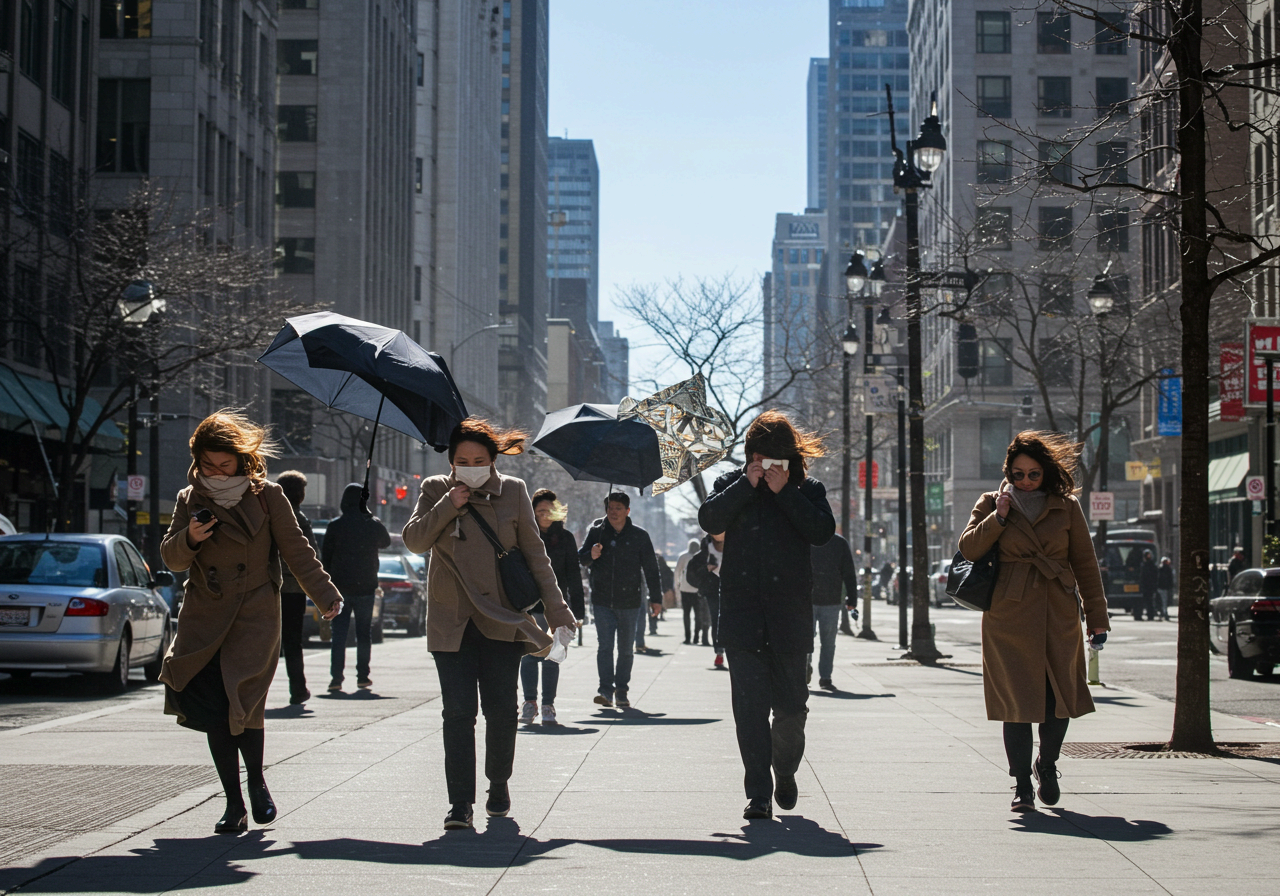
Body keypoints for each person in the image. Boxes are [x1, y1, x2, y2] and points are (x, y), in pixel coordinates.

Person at [160, 411, 344, 834]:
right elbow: (170, 559)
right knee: (215, 708)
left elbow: (298, 552)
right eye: (208, 465)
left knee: (243, 701)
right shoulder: (189, 499)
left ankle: (257, 780)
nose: (216, 472)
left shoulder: (268, 496)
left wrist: (326, 594)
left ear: (242, 460)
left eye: (224, 465)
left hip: (254, 614)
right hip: (204, 617)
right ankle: (233, 801)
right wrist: (190, 537)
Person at [402, 418, 576, 830]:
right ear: (451, 463)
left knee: (501, 709)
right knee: (458, 713)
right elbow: (414, 540)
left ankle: (498, 784)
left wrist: (558, 611)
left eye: (479, 460)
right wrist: (450, 504)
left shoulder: (513, 491)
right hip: (452, 620)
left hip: (501, 619)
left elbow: (536, 556)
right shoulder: (433, 489)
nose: (470, 466)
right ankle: (460, 803)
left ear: (493, 460)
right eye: (462, 461)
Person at [957, 430, 1108, 814]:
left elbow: (1086, 565)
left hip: (1058, 609)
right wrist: (1000, 516)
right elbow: (969, 547)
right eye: (1019, 473)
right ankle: (1022, 785)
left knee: (1060, 699)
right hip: (1009, 613)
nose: (1026, 481)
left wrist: (1097, 618)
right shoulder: (992, 502)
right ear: (1008, 471)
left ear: (1046, 473)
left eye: (1033, 474)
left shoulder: (1066, 505)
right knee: (1017, 702)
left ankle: (1048, 764)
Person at [698, 411, 836, 820]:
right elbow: (709, 520)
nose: (769, 465)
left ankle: (786, 771)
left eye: (777, 458)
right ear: (750, 455)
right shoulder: (731, 485)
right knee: (750, 710)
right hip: (742, 618)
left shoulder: (808, 489)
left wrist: (785, 492)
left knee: (793, 708)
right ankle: (757, 792)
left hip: (790, 617)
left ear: (791, 458)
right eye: (761, 457)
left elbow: (822, 532)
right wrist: (746, 484)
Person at [579, 492, 663, 708]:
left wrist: (656, 598)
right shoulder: (597, 532)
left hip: (630, 601)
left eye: (618, 508)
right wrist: (591, 554)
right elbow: (581, 558)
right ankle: (605, 691)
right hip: (602, 600)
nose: (613, 512)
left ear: (627, 511)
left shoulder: (639, 536)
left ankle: (622, 690)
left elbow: (651, 569)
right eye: (609, 507)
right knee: (605, 647)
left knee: (626, 649)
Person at [520, 489, 586, 725]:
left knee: (552, 656)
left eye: (548, 510)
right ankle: (529, 703)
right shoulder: (525, 535)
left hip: (556, 606)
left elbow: (573, 575)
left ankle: (548, 705)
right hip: (529, 604)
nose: (544, 515)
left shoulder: (566, 538)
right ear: (532, 513)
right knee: (528, 654)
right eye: (539, 511)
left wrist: (578, 611)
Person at [322, 482, 391, 691]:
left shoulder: (335, 526)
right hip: (365, 586)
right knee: (363, 633)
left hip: (340, 588)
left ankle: (336, 678)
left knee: (339, 633)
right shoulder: (371, 524)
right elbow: (386, 541)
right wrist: (369, 516)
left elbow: (326, 557)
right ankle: (362, 676)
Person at [275, 470, 317, 705]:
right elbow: (312, 556)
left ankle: (254, 692)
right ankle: (298, 689)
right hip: (293, 588)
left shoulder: (268, 516)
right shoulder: (300, 519)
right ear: (300, 494)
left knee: (266, 642)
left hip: (269, 587)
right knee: (292, 641)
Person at [810, 533, 859, 690]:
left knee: (806, 640)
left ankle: (807, 670)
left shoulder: (805, 539)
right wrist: (852, 598)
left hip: (808, 599)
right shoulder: (839, 543)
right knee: (828, 643)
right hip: (830, 599)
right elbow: (849, 572)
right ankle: (825, 677)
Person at [686, 532, 726, 667]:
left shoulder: (735, 549)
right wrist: (707, 568)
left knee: (728, 620)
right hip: (712, 591)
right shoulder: (703, 554)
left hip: (733, 590)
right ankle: (719, 652)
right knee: (717, 620)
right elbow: (691, 576)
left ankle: (728, 650)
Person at [675, 538, 702, 644]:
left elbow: (677, 571)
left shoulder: (683, 556)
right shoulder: (701, 556)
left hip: (685, 589)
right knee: (698, 615)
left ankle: (687, 637)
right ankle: (696, 636)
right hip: (698, 590)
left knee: (686, 614)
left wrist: (677, 585)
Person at [1137, 550, 1158, 622]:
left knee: (1149, 601)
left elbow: (1155, 576)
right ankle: (1143, 615)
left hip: (1149, 586)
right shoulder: (1144, 565)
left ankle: (1150, 615)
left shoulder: (1151, 565)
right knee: (1145, 601)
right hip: (1146, 586)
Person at [1156, 557, 1175, 621]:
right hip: (1165, 588)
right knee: (1165, 601)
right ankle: (1164, 612)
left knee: (1161, 601)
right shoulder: (1168, 569)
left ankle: (1162, 612)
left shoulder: (1159, 569)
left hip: (1160, 587)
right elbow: (1171, 579)